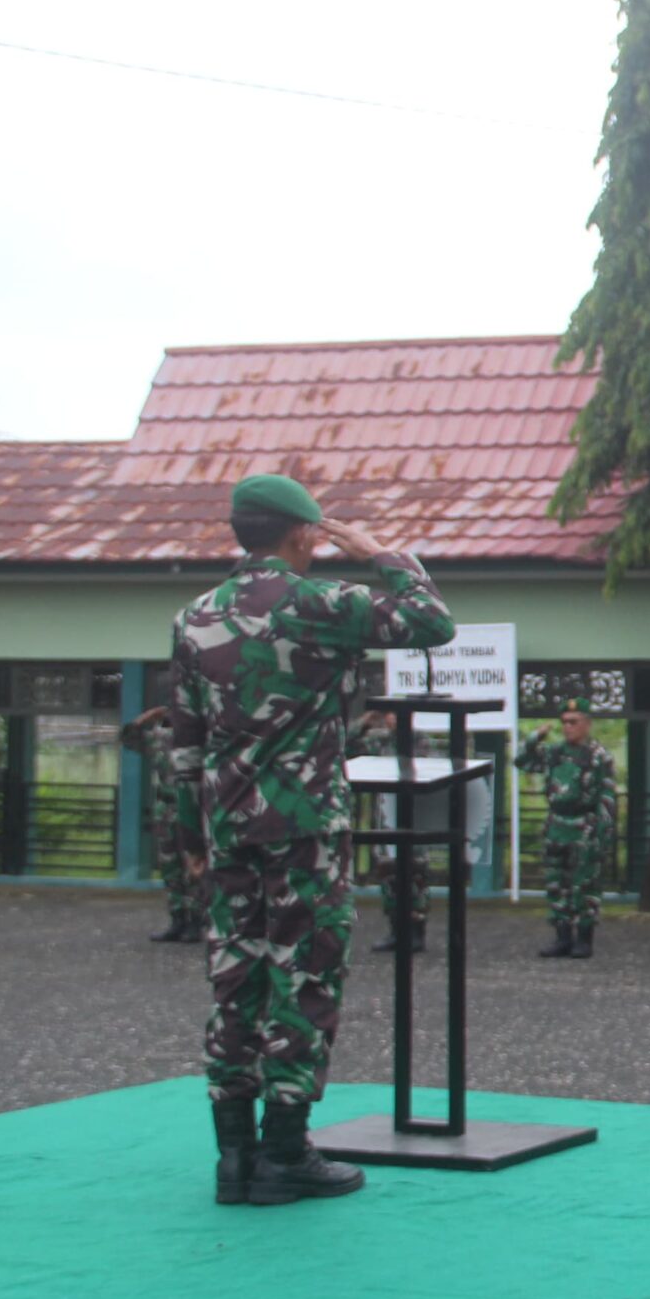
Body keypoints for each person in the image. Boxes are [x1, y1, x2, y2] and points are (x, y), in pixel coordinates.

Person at [169, 473, 454, 1205]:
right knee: (306, 973)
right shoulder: (320, 603)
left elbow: (186, 742)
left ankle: (234, 1158)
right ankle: (286, 1151)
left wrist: (190, 835)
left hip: (227, 826)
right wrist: (380, 553)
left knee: (236, 977)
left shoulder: (194, 616)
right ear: (303, 532)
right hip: (303, 828)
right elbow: (431, 622)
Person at [517, 695, 617, 959]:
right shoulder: (554, 752)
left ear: (587, 723)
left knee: (585, 883)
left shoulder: (598, 756)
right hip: (557, 824)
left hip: (584, 825)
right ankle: (562, 936)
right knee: (556, 883)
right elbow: (521, 761)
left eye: (573, 722)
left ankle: (584, 938)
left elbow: (607, 797)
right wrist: (534, 738)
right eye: (564, 722)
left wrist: (603, 835)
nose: (568, 727)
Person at [354, 707, 436, 955]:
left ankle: (416, 931)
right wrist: (363, 723)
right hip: (386, 815)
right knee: (388, 874)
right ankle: (396, 930)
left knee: (415, 874)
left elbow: (425, 771)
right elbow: (347, 746)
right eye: (389, 714)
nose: (393, 719)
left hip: (413, 817)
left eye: (398, 715)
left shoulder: (420, 740)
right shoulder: (379, 740)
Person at [120, 703, 201, 943]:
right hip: (166, 809)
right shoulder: (160, 740)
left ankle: (196, 921)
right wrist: (148, 716)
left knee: (193, 866)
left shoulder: (198, 742)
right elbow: (127, 738)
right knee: (170, 866)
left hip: (191, 809)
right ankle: (177, 919)